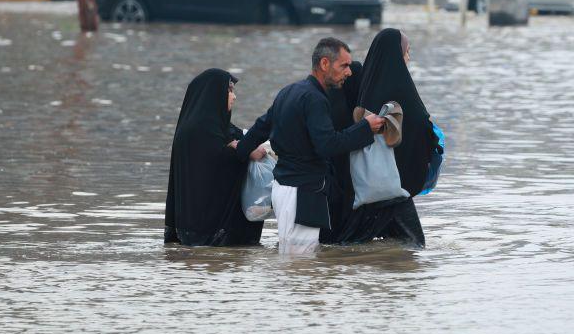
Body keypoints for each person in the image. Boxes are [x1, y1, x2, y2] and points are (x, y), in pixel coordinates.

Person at [236, 38, 385, 254]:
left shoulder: (289, 91)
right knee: (302, 266)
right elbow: (327, 145)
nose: (349, 72)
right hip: (304, 192)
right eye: (344, 65)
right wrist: (365, 127)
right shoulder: (315, 99)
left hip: (283, 188)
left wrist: (241, 151)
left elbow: (261, 127)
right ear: (325, 64)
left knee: (293, 260)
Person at [324, 29, 430, 246]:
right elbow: (420, 126)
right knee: (415, 246)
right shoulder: (397, 91)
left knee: (352, 244)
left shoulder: (362, 87)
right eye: (406, 53)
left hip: (363, 185)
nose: (408, 59)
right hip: (390, 189)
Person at [164, 69, 267, 246]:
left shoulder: (217, 126)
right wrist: (240, 152)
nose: (234, 97)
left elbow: (236, 142)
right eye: (229, 91)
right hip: (202, 227)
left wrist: (240, 147)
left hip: (196, 226)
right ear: (213, 93)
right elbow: (212, 164)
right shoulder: (197, 130)